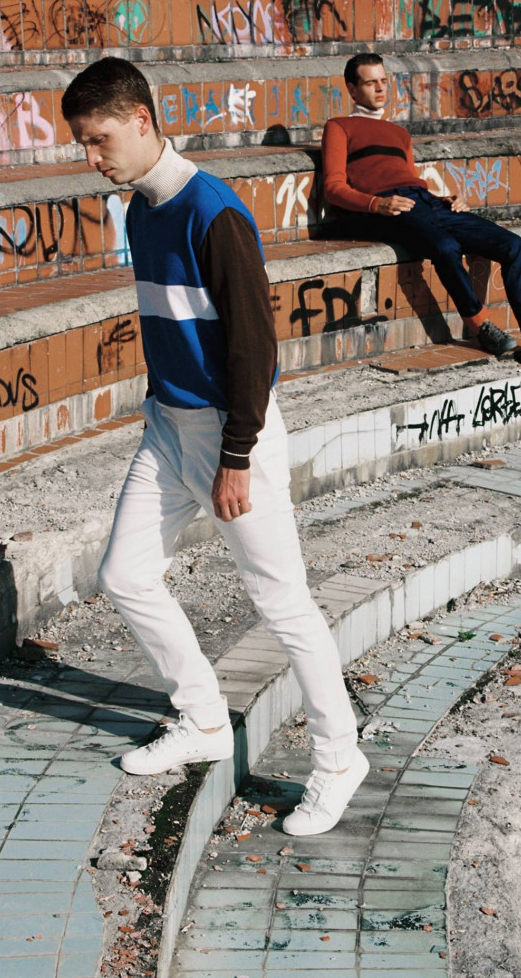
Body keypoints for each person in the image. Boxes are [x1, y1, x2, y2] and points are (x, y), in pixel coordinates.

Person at [61, 57, 368, 836]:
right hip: (168, 425)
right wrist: (165, 415)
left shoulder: (214, 213)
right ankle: (201, 718)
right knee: (125, 574)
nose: (91, 157)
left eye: (99, 139)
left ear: (140, 121)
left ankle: (339, 757)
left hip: (233, 432)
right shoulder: (140, 211)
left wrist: (236, 456)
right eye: (83, 143)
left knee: (282, 602)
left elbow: (254, 348)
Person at [322, 53, 521, 372]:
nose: (380, 89)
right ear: (352, 89)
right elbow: (333, 187)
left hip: (426, 201)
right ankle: (480, 324)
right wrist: (377, 204)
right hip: (390, 206)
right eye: (370, 82)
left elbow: (408, 179)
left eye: (384, 81)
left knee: (513, 245)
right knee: (445, 247)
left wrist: (443, 198)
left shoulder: (399, 134)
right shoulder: (339, 127)